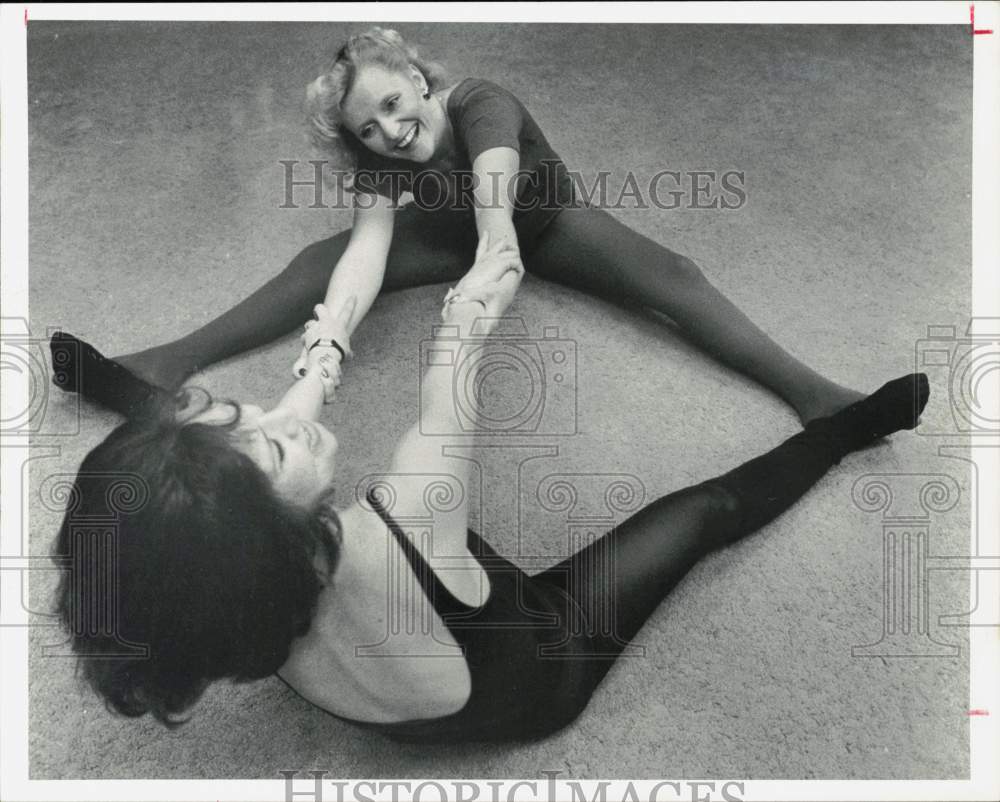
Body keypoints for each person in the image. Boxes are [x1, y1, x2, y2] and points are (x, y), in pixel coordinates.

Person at [53, 234, 930, 741]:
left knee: (190, 469)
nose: (274, 417)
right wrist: (475, 297)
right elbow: (454, 363)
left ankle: (120, 393)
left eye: (240, 419)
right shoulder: (412, 512)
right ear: (279, 534)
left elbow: (266, 431)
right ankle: (848, 429)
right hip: (539, 669)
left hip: (378, 669)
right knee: (707, 514)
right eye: (273, 453)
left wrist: (335, 321)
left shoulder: (214, 606)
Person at [51, 26, 863, 425]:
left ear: (415, 76)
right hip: (450, 235)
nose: (388, 134)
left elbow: (496, 200)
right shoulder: (377, 156)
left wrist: (494, 267)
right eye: (366, 130)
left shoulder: (480, 102)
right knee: (318, 262)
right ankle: (164, 362)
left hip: (541, 225)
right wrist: (329, 341)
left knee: (675, 279)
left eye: (394, 108)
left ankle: (818, 398)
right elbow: (367, 255)